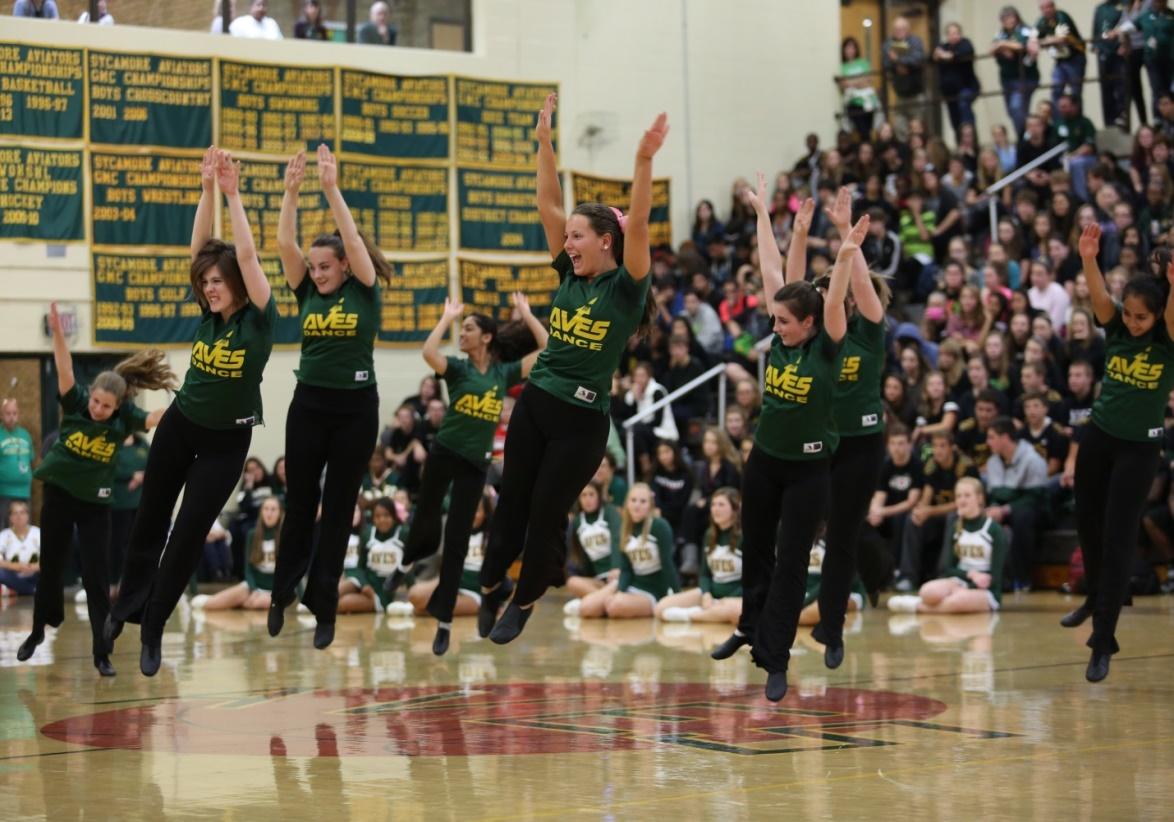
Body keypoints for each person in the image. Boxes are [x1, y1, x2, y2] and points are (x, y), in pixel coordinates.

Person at [476, 95, 665, 644]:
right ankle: (490, 583)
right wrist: (542, 144)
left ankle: (525, 599)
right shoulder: (572, 275)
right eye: (568, 238)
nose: (568, 242)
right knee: (511, 498)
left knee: (544, 511)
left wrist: (644, 159)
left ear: (606, 241)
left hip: (583, 420)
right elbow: (547, 205)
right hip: (538, 402)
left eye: (577, 237)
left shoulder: (626, 285)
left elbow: (642, 219)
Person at [107, 147, 276, 678]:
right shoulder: (210, 313)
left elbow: (245, 257)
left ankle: (155, 625)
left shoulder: (258, 319)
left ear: (237, 284)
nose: (208, 286)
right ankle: (124, 609)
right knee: (149, 520)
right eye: (204, 282)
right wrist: (205, 190)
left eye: (217, 281)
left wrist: (232, 195)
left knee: (186, 534)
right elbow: (197, 249)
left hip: (227, 442)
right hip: (181, 426)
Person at [711, 178, 864, 703]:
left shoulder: (827, 347)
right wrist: (761, 213)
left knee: (791, 561)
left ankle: (774, 658)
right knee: (754, 549)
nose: (773, 328)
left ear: (808, 323)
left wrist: (845, 252)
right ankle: (749, 626)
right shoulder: (782, 327)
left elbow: (837, 295)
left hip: (808, 472)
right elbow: (772, 266)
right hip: (764, 462)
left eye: (782, 322)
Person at [264, 145, 391, 651]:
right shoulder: (307, 292)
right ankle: (281, 592)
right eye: (312, 267)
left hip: (356, 409)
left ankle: (325, 607)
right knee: (300, 502)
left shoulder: (363, 288)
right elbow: (282, 242)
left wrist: (331, 189)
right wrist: (291, 192)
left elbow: (354, 237)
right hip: (309, 405)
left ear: (343, 264)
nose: (316, 273)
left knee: (339, 510)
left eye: (324, 266)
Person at [381, 293, 547, 656]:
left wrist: (527, 315)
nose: (462, 334)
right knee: (425, 520)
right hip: (444, 454)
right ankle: (405, 563)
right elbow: (428, 353)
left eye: (468, 328)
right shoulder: (457, 368)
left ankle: (445, 624)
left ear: (486, 337)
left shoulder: (502, 373)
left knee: (457, 539)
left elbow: (545, 348)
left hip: (476, 463)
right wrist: (445, 318)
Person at [18, 303, 174, 677]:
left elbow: (155, 418)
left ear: (118, 404)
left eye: (106, 405)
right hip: (58, 495)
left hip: (94, 506)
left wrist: (193, 402)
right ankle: (38, 630)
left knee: (96, 577)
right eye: (96, 402)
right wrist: (58, 332)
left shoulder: (124, 420)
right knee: (51, 567)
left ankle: (101, 652)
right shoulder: (75, 403)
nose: (98, 409)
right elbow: (65, 368)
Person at [1066, 226, 1174, 682]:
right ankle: (1094, 596)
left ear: (1156, 318)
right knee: (1086, 522)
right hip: (1099, 436)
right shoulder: (1117, 327)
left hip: (1140, 448)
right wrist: (1088, 259)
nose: (1131, 322)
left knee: (1116, 537)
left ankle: (1103, 640)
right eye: (1129, 315)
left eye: (1140, 318)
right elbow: (1100, 298)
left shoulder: (1167, 341)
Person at [796, 186, 890, 670]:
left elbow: (861, 289)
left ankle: (831, 627)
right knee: (800, 530)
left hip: (863, 446)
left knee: (844, 538)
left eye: (850, 288)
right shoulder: (824, 338)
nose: (846, 295)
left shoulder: (871, 330)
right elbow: (802, 291)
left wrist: (844, 236)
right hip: (822, 445)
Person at [888, 478, 1008, 613]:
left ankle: (917, 607)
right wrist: (970, 575)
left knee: (955, 601)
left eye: (967, 495)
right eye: (958, 496)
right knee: (927, 591)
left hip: (987, 591)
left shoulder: (994, 530)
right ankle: (927, 603)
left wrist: (974, 582)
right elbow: (948, 568)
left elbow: (996, 579)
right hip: (961, 582)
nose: (962, 500)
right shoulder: (955, 527)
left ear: (980, 498)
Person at [569, 483, 678, 619]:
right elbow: (626, 570)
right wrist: (619, 591)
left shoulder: (660, 526)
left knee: (615, 607)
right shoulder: (625, 528)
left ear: (650, 505)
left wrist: (677, 597)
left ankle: (623, 605)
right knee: (586, 609)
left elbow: (668, 565)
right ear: (627, 503)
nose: (637, 505)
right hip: (631, 584)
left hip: (653, 589)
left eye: (643, 501)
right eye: (633, 500)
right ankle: (606, 603)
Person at [897, 431, 981, 590]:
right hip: (937, 515)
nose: (938, 450)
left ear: (952, 448)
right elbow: (927, 494)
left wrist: (929, 511)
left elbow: (962, 504)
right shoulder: (931, 465)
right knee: (912, 520)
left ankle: (944, 574)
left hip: (963, 515)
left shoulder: (966, 466)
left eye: (942, 446)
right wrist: (920, 511)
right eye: (935, 446)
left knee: (952, 517)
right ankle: (908, 576)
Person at [656, 488, 743, 625]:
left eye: (721, 505)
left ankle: (692, 615)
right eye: (713, 505)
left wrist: (726, 599)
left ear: (735, 508)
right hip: (712, 594)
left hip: (737, 598)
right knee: (661, 607)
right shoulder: (710, 534)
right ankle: (710, 614)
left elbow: (753, 581)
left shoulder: (745, 536)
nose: (715, 509)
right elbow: (704, 575)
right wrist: (707, 594)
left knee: (736, 612)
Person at [984, 416, 1049, 591]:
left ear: (1005, 438)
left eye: (991, 437)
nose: (987, 442)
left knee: (1022, 518)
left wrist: (1004, 510)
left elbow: (1035, 497)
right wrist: (993, 508)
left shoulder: (1032, 459)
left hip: (1034, 508)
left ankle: (1023, 579)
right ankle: (988, 577)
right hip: (1005, 508)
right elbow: (995, 494)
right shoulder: (992, 462)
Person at [191, 497, 282, 612]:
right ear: (261, 512)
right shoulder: (252, 534)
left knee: (261, 602)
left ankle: (239, 602)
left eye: (273, 509)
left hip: (273, 591)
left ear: (280, 513)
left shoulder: (286, 536)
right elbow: (248, 570)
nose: (269, 513)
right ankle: (215, 599)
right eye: (266, 509)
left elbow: (292, 571)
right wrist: (254, 590)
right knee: (212, 605)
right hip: (253, 586)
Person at [341, 497, 407, 614]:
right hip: (366, 583)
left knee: (342, 604)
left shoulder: (403, 534)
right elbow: (359, 567)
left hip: (383, 592)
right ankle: (315, 604)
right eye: (377, 516)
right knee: (341, 588)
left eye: (386, 515)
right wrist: (365, 585)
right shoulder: (367, 534)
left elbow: (409, 566)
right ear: (373, 518)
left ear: (393, 516)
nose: (382, 520)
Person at [565, 481, 622, 598]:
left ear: (599, 496)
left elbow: (618, 539)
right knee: (572, 582)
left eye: (591, 494)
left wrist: (616, 567)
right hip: (599, 580)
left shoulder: (609, 511)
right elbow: (577, 553)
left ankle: (598, 601)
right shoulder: (577, 522)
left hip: (617, 574)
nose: (587, 499)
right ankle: (605, 600)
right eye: (584, 495)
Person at [993, 5, 1042, 136]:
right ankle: (1026, 135)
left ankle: (1024, 137)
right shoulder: (1001, 33)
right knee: (1012, 112)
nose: (1007, 21)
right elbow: (992, 48)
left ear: (1016, 18)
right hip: (1007, 79)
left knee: (1017, 108)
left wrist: (1003, 44)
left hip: (1025, 78)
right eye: (1004, 18)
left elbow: (1022, 45)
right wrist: (1003, 46)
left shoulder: (1025, 30)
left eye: (1009, 17)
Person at [1034, 0, 1087, 109]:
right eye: (1043, 8)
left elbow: (1061, 39)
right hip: (1060, 60)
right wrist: (1043, 41)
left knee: (1075, 92)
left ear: (1054, 7)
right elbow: (1032, 39)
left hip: (1075, 58)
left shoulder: (1062, 16)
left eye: (1049, 7)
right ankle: (1059, 122)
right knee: (1056, 90)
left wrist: (1044, 41)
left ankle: (1077, 121)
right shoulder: (1041, 22)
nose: (1046, 10)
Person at [882, 16, 929, 139]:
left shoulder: (915, 41)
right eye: (896, 29)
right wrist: (900, 65)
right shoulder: (889, 43)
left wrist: (898, 60)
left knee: (917, 129)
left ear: (908, 30)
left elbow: (918, 59)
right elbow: (886, 62)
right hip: (900, 94)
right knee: (900, 128)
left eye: (902, 29)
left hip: (916, 94)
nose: (899, 32)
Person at [933, 22, 982, 138]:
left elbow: (966, 53)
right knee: (955, 120)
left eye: (955, 33)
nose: (953, 36)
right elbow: (931, 57)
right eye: (950, 34)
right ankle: (960, 143)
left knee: (964, 106)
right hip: (949, 93)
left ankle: (971, 138)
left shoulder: (965, 44)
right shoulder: (943, 47)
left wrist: (948, 56)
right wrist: (936, 55)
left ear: (960, 34)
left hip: (967, 87)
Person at [1092, 0, 1130, 128]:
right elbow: (1096, 27)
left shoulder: (1125, 4)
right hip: (1103, 52)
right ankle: (1108, 123)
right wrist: (1095, 44)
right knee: (1105, 89)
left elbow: (1127, 24)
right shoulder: (1100, 8)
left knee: (1121, 88)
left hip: (1118, 52)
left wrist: (1123, 44)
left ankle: (1122, 118)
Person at [1137, 0, 1174, 122]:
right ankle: (1158, 119)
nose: (1160, 3)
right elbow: (1130, 26)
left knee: (1171, 89)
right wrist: (1119, 34)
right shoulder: (1145, 16)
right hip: (1152, 59)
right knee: (1157, 90)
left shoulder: (1171, 15)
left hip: (1170, 58)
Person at [839, 36, 881, 140]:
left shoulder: (863, 63)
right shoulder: (841, 66)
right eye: (847, 48)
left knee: (869, 130)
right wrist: (859, 80)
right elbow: (843, 84)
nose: (850, 50)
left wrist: (852, 82)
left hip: (868, 102)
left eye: (853, 47)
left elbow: (869, 80)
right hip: (853, 103)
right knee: (863, 132)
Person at [0, 399, 34, 527]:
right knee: (3, 533)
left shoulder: (25, 435)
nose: (11, 417)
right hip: (3, 493)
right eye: (8, 414)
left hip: (24, 492)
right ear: (1, 415)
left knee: (24, 531)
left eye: (14, 413)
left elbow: (31, 461)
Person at [0, 501, 39, 596]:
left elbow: (50, 556)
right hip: (13, 575)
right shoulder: (4, 535)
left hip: (35, 573)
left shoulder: (37, 532)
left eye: (22, 513)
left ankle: (16, 590)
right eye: (15, 513)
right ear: (10, 517)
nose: (19, 516)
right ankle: (31, 590)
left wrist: (35, 566)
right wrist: (14, 566)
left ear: (27, 516)